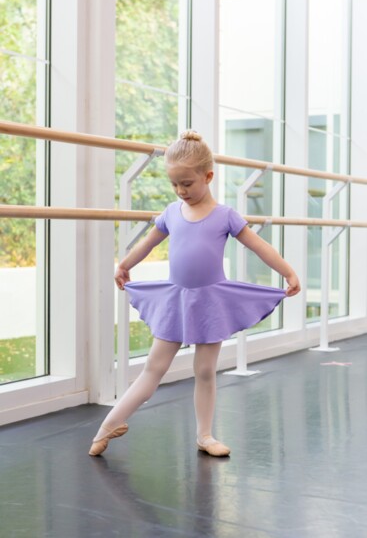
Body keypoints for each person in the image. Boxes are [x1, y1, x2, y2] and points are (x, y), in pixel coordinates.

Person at [89, 130, 301, 458]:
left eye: (187, 183)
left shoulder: (225, 215)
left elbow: (259, 245)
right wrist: (125, 264)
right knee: (153, 369)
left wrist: (287, 271)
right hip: (176, 299)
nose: (180, 191)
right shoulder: (172, 213)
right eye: (174, 184)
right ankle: (109, 425)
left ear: (208, 176)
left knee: (204, 371)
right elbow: (148, 242)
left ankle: (205, 435)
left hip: (210, 302)